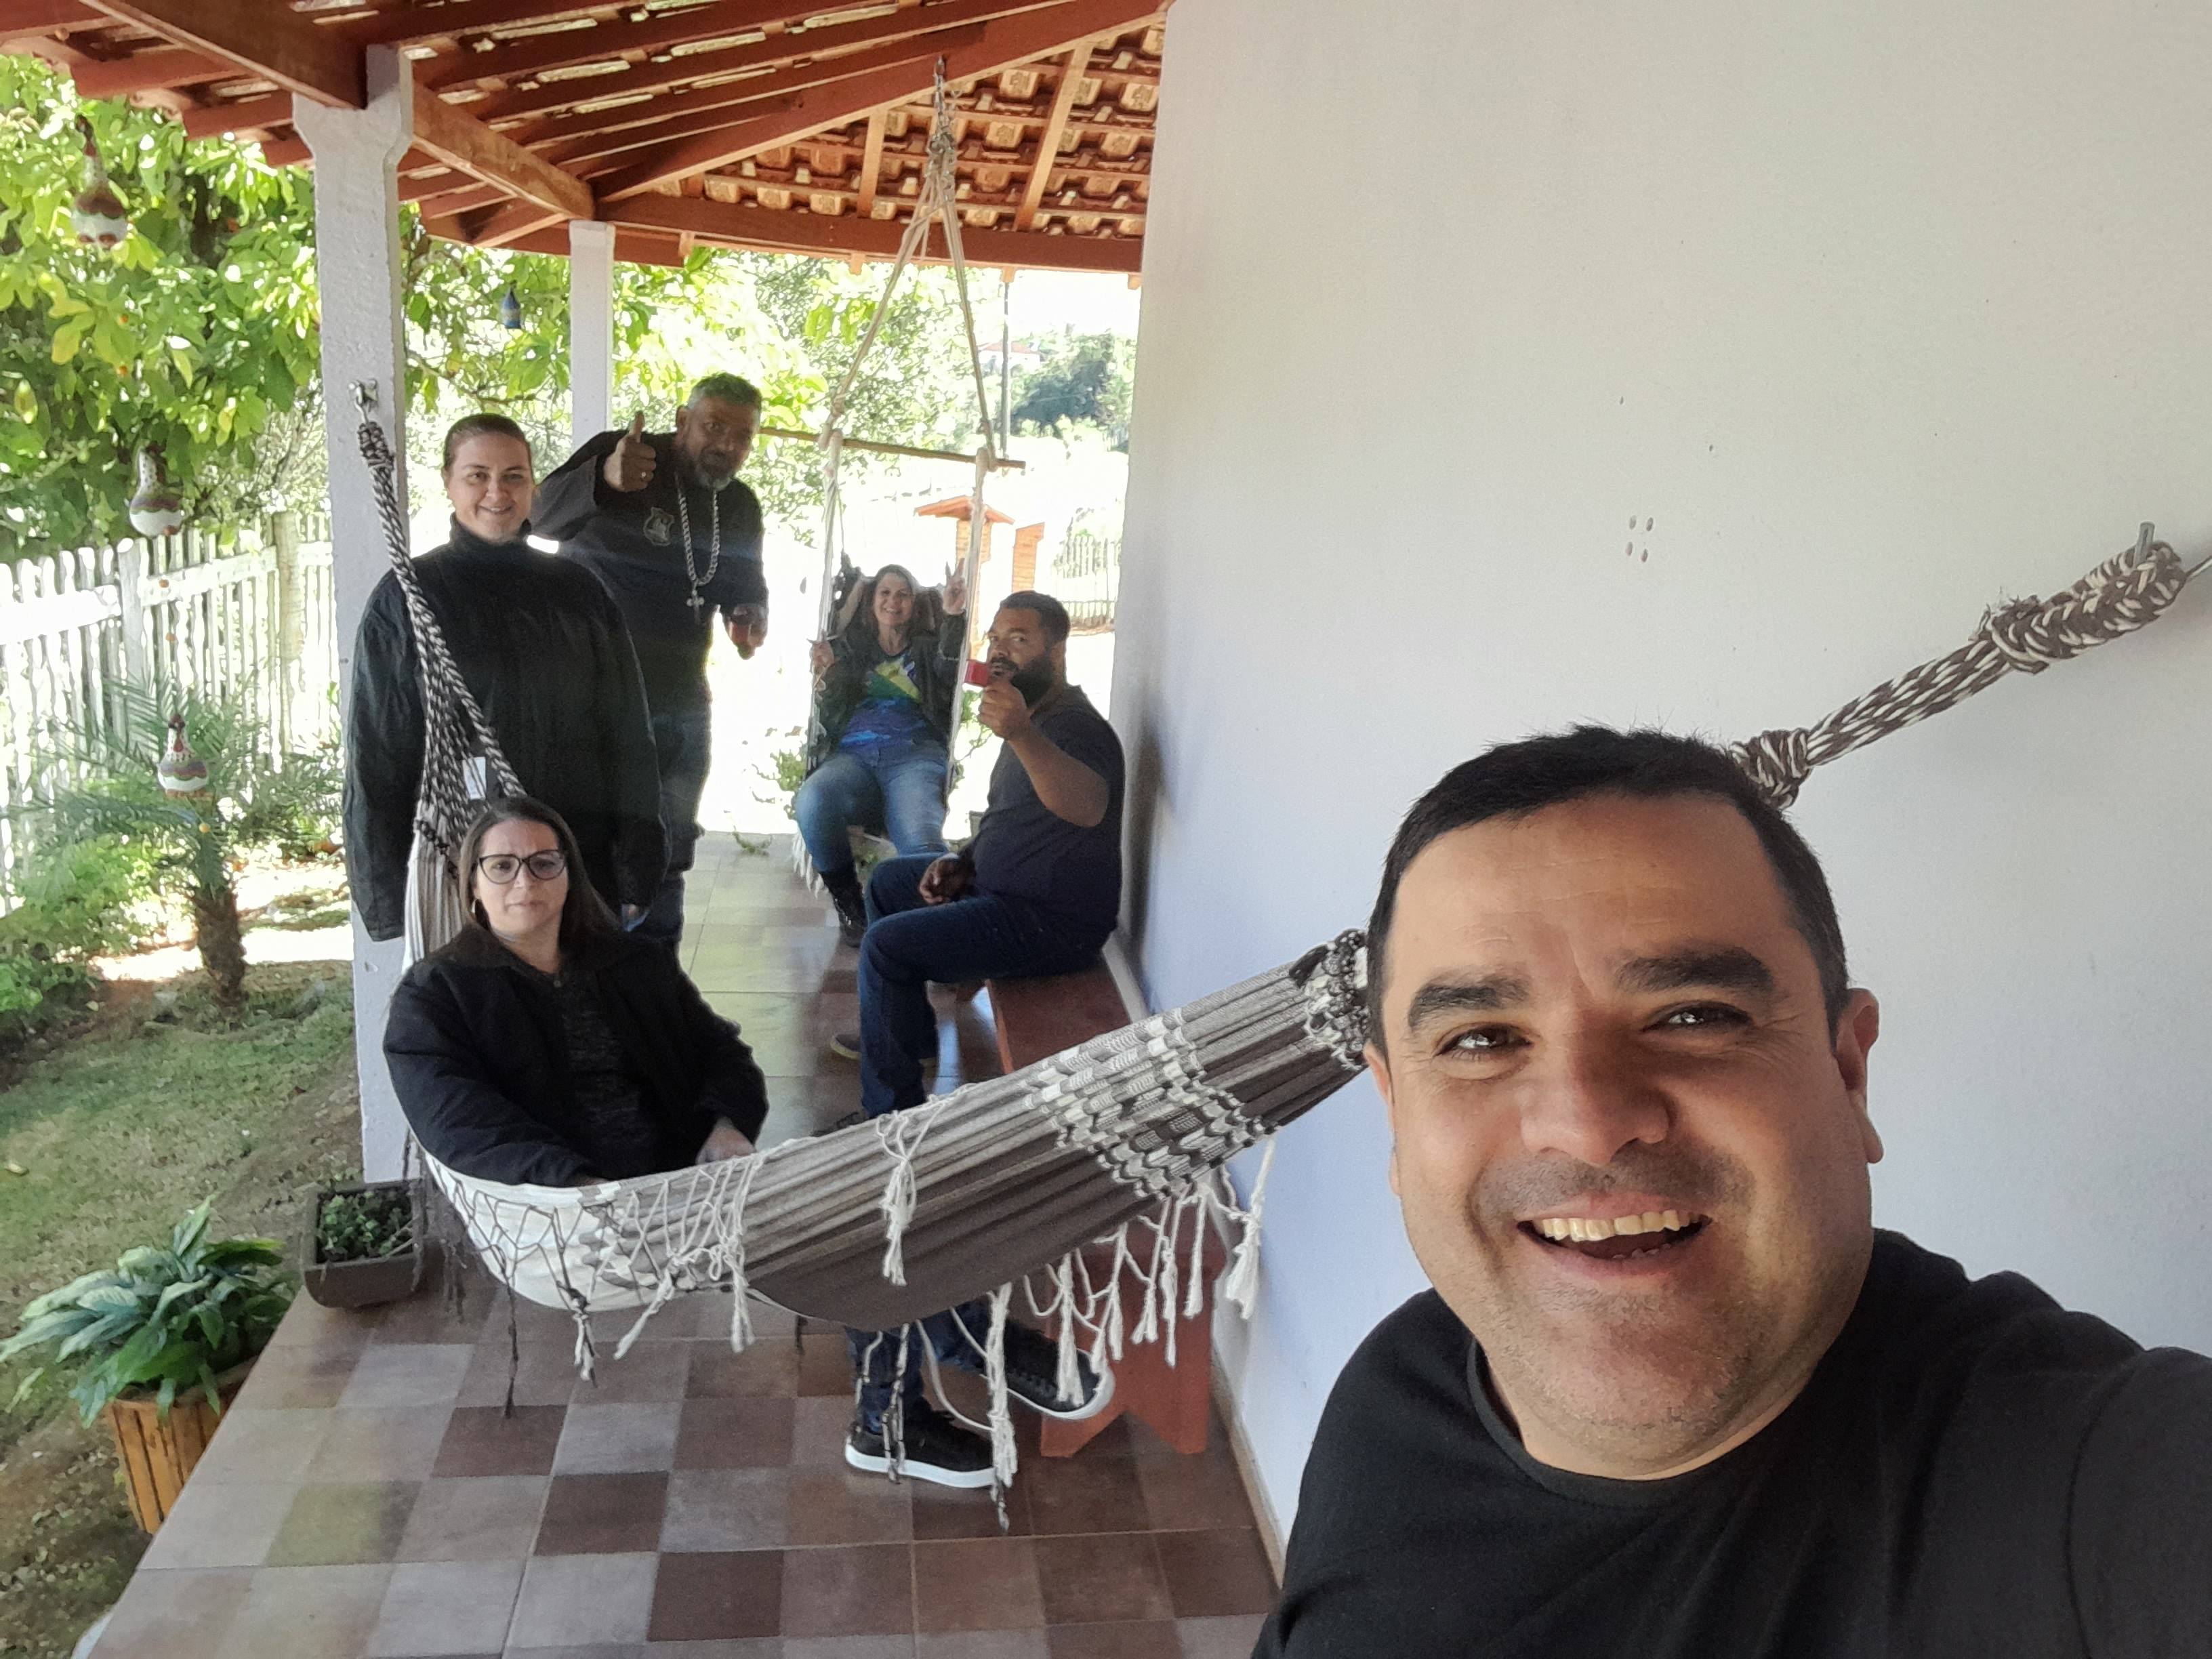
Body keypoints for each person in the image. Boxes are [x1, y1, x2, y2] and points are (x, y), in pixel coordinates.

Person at [1256, 726, 2212, 1656]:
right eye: (1480, 1039)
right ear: (1395, 1109)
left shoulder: (2082, 1480)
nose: (1586, 1122)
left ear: (1848, 1074)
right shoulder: (1403, 1385)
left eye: (1692, 1016)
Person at [836, 591, 1124, 1487]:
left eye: (1019, 638)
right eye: (996, 636)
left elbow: (1082, 807)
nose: (1001, 649)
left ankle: (892, 1118)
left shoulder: (1075, 729)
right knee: (893, 884)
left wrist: (1023, 735)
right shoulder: (1023, 721)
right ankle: (908, 1053)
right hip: (1001, 889)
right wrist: (961, 864)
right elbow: (1014, 826)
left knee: (888, 947)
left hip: (1048, 924)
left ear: (1057, 651)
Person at [345, 413, 664, 943]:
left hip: (575, 861)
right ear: (448, 484)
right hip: (462, 866)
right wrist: (386, 898)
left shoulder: (579, 593)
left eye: (514, 476)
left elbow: (628, 734)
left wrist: (637, 866)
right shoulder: (406, 599)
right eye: (478, 476)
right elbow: (377, 754)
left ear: (533, 486)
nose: (497, 492)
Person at [384, 797, 765, 1187]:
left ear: (568, 875)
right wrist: (575, 1184)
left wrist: (726, 1124)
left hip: (680, 1184)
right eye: (502, 866)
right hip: (549, 1201)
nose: (525, 882)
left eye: (544, 863)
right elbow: (455, 1118)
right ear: (473, 885)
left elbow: (722, 1052)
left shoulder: (638, 964)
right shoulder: (435, 995)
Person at [534, 373, 771, 948]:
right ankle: (588, 977)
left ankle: (656, 984)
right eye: (714, 426)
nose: (727, 445)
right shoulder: (624, 454)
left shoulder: (739, 505)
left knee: (670, 849)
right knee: (591, 842)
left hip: (681, 700)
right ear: (683, 420)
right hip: (594, 698)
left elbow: (744, 585)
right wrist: (602, 480)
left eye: (742, 436)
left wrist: (750, 614)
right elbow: (535, 517)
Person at [798, 561, 969, 944]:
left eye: (903, 594)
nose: (894, 601)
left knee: (921, 841)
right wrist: (829, 672)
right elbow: (832, 707)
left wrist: (954, 616)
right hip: (854, 757)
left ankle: (934, 926)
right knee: (812, 800)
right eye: (885, 593)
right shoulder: (853, 648)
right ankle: (850, 905)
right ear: (872, 601)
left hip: (914, 757)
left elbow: (950, 670)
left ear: (914, 603)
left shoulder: (927, 648)